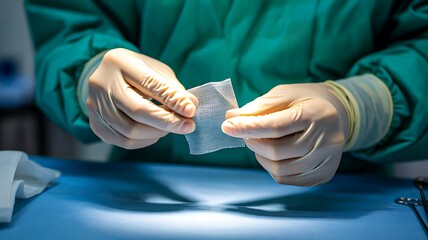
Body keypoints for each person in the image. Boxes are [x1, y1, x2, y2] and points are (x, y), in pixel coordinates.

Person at [25, 0, 428, 186]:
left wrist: (362, 104)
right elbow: (68, 22)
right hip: (144, 178)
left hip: (341, 187)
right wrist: (91, 70)